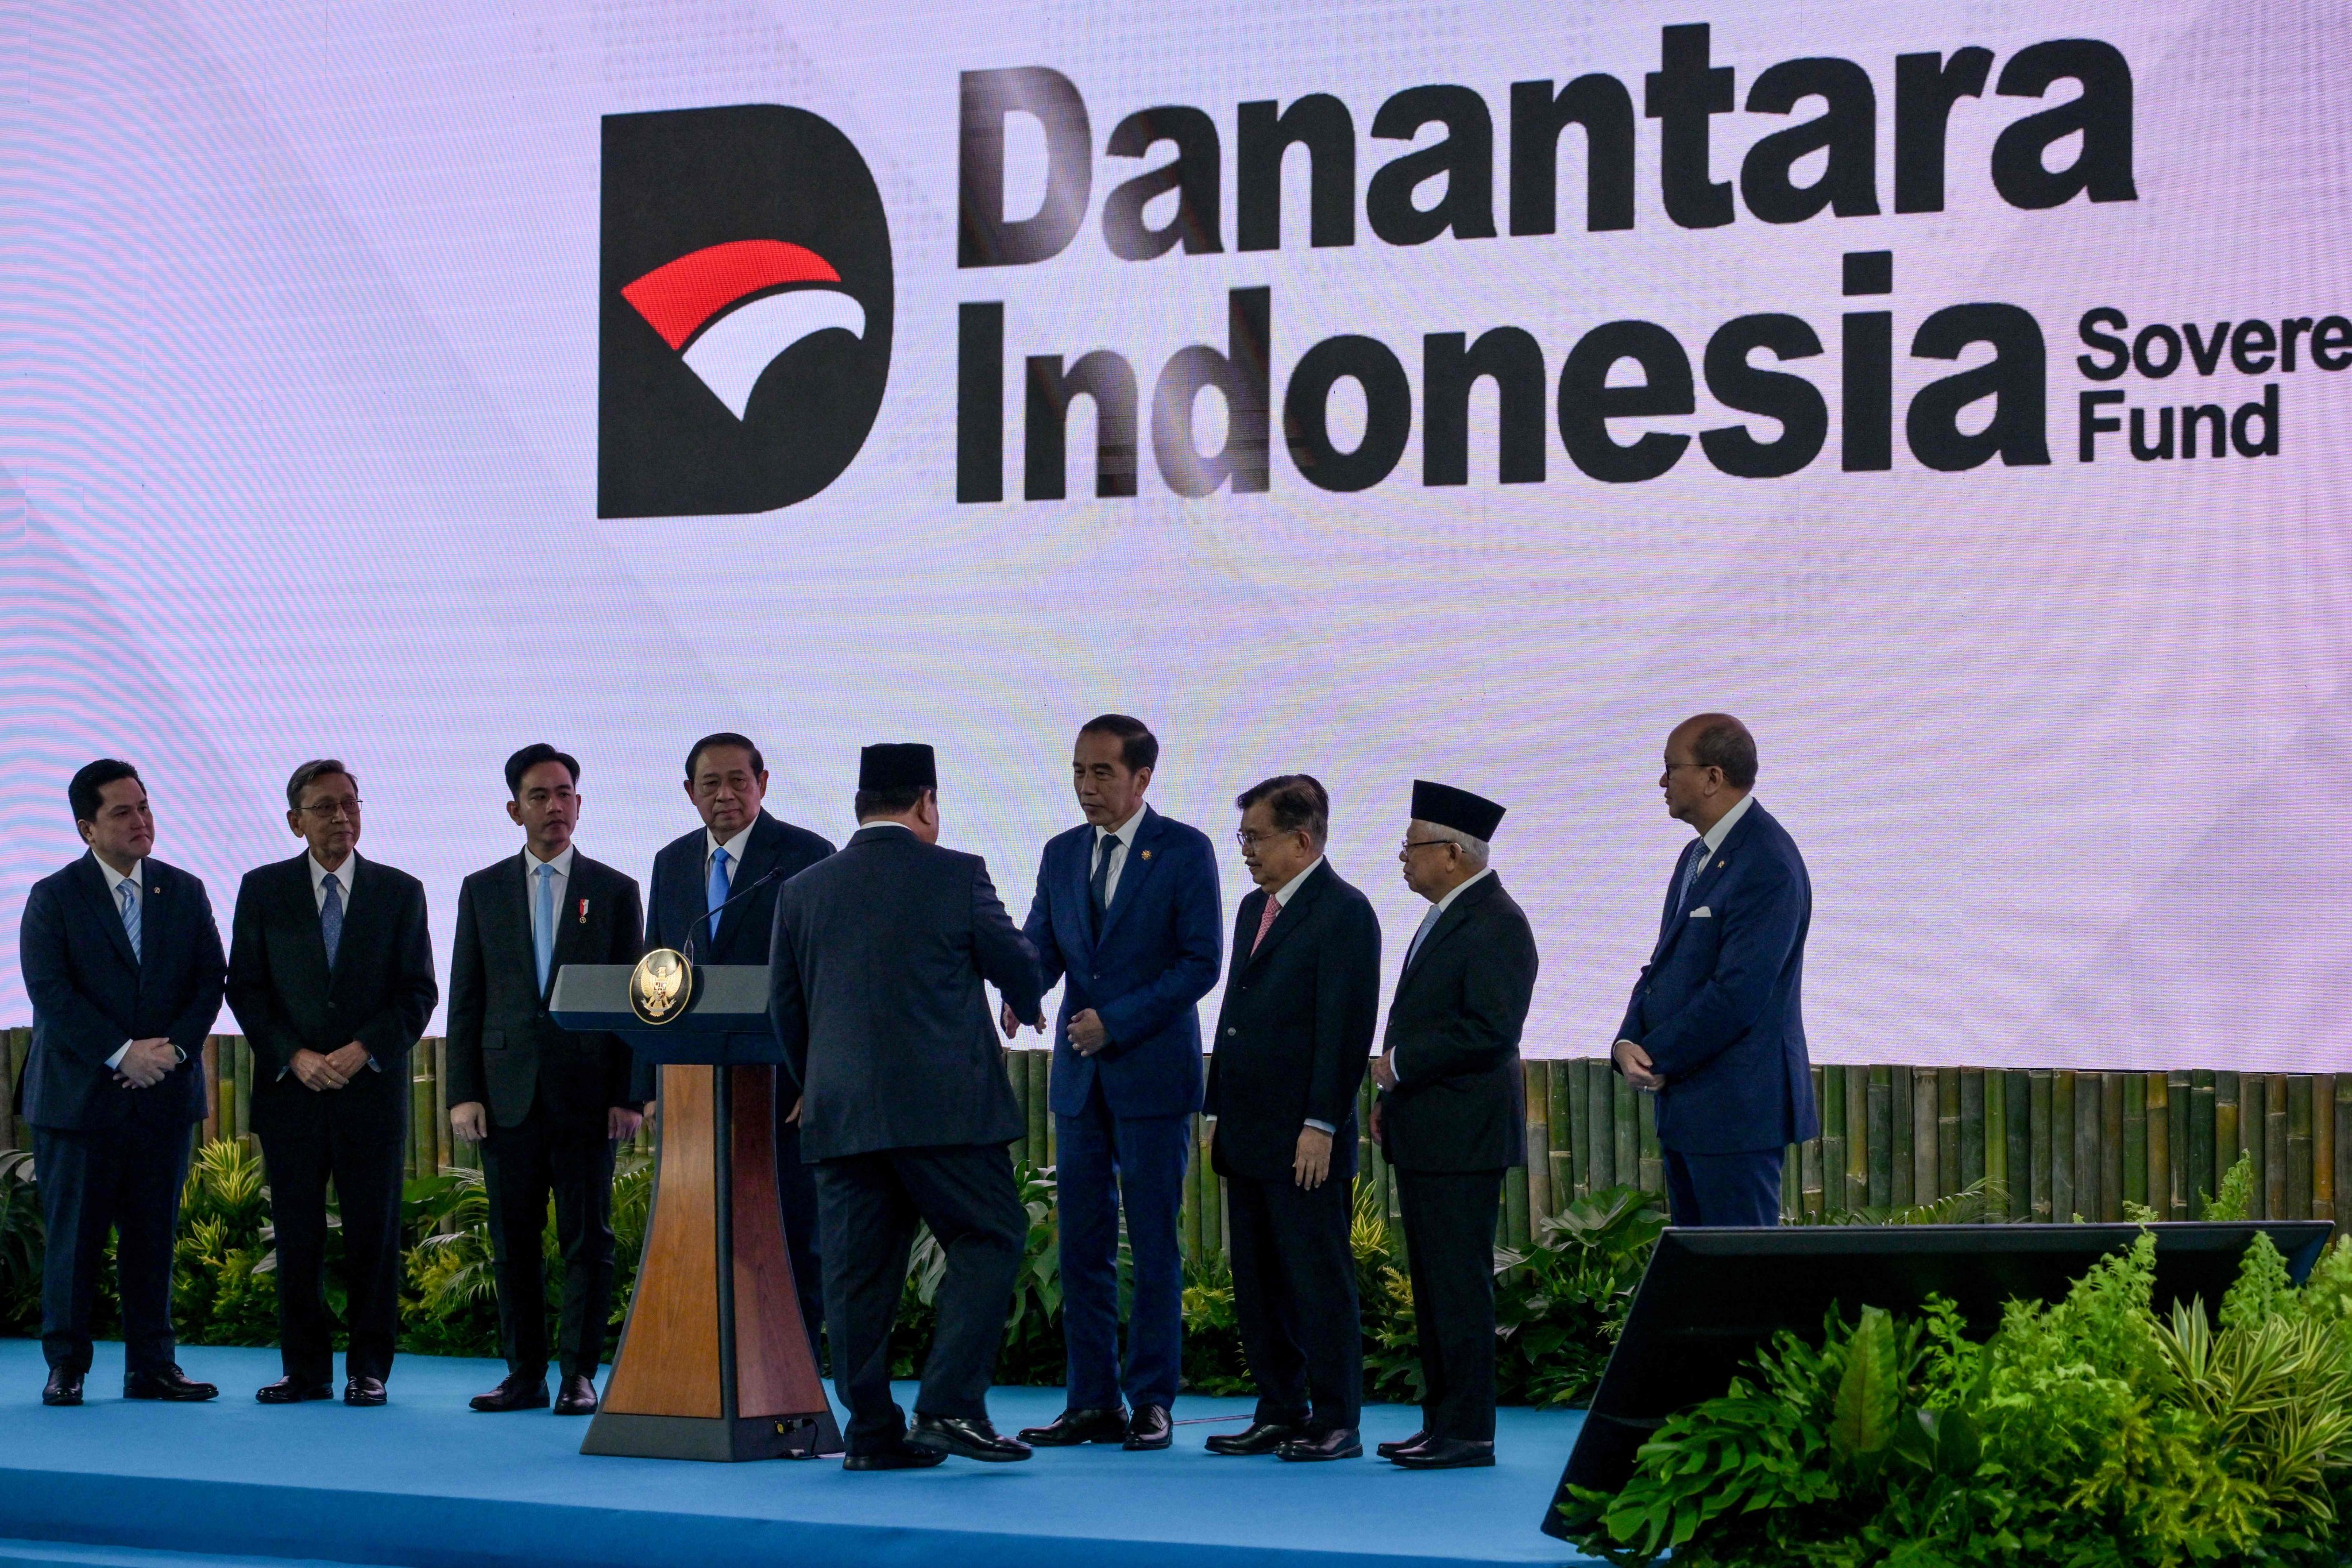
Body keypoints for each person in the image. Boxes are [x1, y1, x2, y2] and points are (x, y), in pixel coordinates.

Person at [768, 743, 1043, 1470]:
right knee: (989, 1238)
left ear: (861, 806)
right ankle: (949, 1406)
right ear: (927, 802)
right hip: (947, 1114)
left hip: (842, 1116)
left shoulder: (803, 890)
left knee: (857, 1281)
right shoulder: (957, 874)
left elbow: (786, 1013)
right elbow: (1017, 963)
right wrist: (1029, 996)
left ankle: (869, 1437)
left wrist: (821, 1081)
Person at [1010, 716, 1221, 1454]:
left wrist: (1116, 1023)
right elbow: (1043, 942)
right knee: (1082, 1246)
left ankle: (1154, 1399)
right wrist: (1021, 988)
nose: (1086, 787)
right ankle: (1091, 1402)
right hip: (1079, 1082)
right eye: (1078, 771)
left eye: (1102, 773)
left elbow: (1201, 963)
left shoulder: (1186, 851)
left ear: (1142, 779)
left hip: (1153, 1077)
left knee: (1156, 1242)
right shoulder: (1060, 853)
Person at [226, 759, 437, 1405]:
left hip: (369, 1093)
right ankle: (306, 1371)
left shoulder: (400, 892)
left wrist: (361, 1050)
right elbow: (246, 989)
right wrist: (295, 1055)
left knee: (374, 1237)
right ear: (296, 821)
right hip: (293, 1095)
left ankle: (368, 1369)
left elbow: (418, 993)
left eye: (350, 803)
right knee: (297, 1235)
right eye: (324, 807)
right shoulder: (262, 890)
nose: (341, 816)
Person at [445, 744, 646, 1417]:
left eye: (564, 794)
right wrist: (462, 1092)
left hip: (589, 1098)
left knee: (589, 1241)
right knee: (513, 1241)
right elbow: (466, 997)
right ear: (514, 809)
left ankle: (579, 1376)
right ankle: (523, 1375)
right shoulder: (482, 889)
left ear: (579, 805)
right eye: (539, 796)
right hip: (505, 1095)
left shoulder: (615, 891)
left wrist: (630, 1094)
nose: (554, 807)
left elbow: (634, 1003)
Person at [18, 760, 226, 1407]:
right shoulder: (53, 896)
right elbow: (50, 991)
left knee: (152, 1238)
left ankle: (153, 1367)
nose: (141, 822)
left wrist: (170, 1053)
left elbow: (208, 981)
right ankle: (67, 1365)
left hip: (163, 1098)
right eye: (121, 812)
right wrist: (120, 1054)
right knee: (75, 1241)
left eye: (144, 807)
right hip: (79, 1102)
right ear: (87, 828)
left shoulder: (184, 891)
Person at [1202, 774, 1380, 1462]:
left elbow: (1345, 1029)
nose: (1245, 850)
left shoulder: (1345, 912)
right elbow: (1236, 1016)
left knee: (1317, 1277)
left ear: (1302, 840)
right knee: (1258, 1280)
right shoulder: (1255, 908)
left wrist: (1323, 1124)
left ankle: (1337, 1418)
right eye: (1242, 836)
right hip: (1247, 1127)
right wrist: (1219, 1107)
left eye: (1255, 837)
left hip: (1304, 1134)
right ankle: (1279, 1407)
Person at [644, 731, 832, 1368]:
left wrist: (819, 1076)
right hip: (698, 1087)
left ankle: (795, 1367)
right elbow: (657, 978)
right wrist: (651, 1083)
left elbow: (829, 975)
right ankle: (709, 1362)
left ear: (763, 783)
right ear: (690, 793)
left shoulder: (806, 856)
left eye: (737, 781)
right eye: (709, 784)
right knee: (704, 1235)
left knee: (788, 1234)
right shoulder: (671, 863)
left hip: (784, 1086)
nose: (724, 796)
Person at [1369, 781, 1538, 1470]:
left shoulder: (1497, 921)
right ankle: (1441, 1421)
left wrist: (1401, 1064)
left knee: (1459, 1286)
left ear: (1452, 852)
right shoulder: (1449, 915)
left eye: (1412, 846)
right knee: (1435, 1286)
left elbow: (1490, 1032)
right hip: (1431, 1128)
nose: (1403, 859)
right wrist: (1393, 1093)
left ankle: (1468, 1430)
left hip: (1463, 1135)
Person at [1611, 715, 1814, 1227]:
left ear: (1711, 777)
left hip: (1736, 1112)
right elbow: (1663, 965)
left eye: (1669, 768)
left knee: (1741, 1281)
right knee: (1702, 1280)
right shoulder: (1696, 856)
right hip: (1693, 1109)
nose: (1662, 782)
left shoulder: (1766, 860)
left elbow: (1739, 993)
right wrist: (1625, 1040)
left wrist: (1655, 1052)